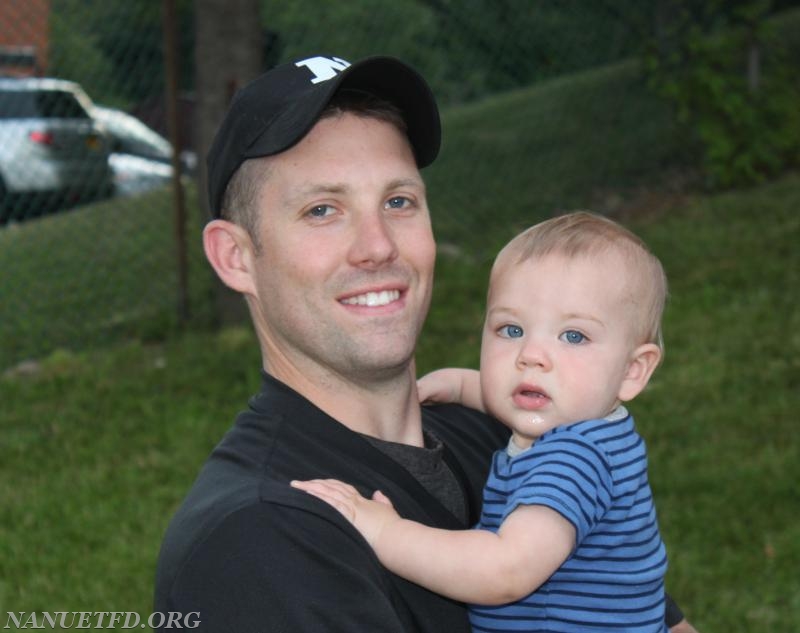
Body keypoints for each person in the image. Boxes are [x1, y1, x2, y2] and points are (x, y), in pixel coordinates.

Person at [153, 54, 696, 632]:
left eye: (398, 201)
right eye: (322, 210)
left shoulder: (515, 430)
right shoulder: (259, 540)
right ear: (236, 258)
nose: (378, 246)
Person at [293, 211, 677, 631]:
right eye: (511, 330)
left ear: (632, 371)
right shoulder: (597, 426)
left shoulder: (573, 460)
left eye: (573, 337)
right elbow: (531, 400)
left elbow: (505, 571)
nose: (531, 356)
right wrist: (464, 386)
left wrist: (385, 533)